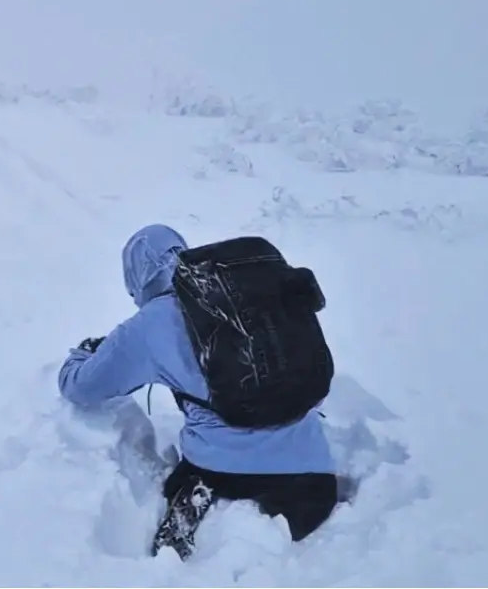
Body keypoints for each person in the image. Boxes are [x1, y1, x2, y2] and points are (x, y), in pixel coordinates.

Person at [58, 224, 339, 560]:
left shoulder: (150, 323)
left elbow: (81, 388)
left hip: (225, 477)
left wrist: (83, 354)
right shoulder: (249, 291)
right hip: (315, 480)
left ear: (137, 281)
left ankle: (185, 531)